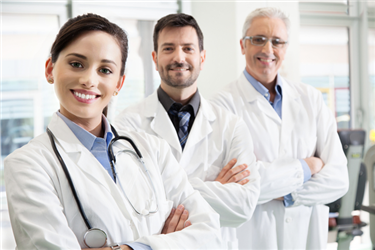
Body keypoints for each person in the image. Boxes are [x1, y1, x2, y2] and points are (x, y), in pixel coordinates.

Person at [4, 13, 223, 250]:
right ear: (50, 69)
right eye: (76, 64)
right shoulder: (28, 165)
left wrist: (129, 248)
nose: (89, 80)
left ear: (119, 83)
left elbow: (210, 234)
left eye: (105, 70)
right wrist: (164, 242)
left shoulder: (153, 149)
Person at [114, 13, 260, 249]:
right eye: (169, 48)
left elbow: (243, 207)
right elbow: (130, 203)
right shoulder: (126, 126)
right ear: (155, 57)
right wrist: (214, 186)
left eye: (188, 48)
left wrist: (165, 188)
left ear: (202, 57)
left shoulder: (231, 127)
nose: (179, 57)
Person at [211, 7, 349, 249]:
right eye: (258, 40)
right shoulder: (222, 106)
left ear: (285, 48)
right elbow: (235, 188)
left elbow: (338, 179)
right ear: (243, 45)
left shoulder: (311, 99)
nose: (268, 50)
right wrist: (308, 166)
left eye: (277, 42)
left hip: (307, 237)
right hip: (253, 239)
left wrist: (287, 194)